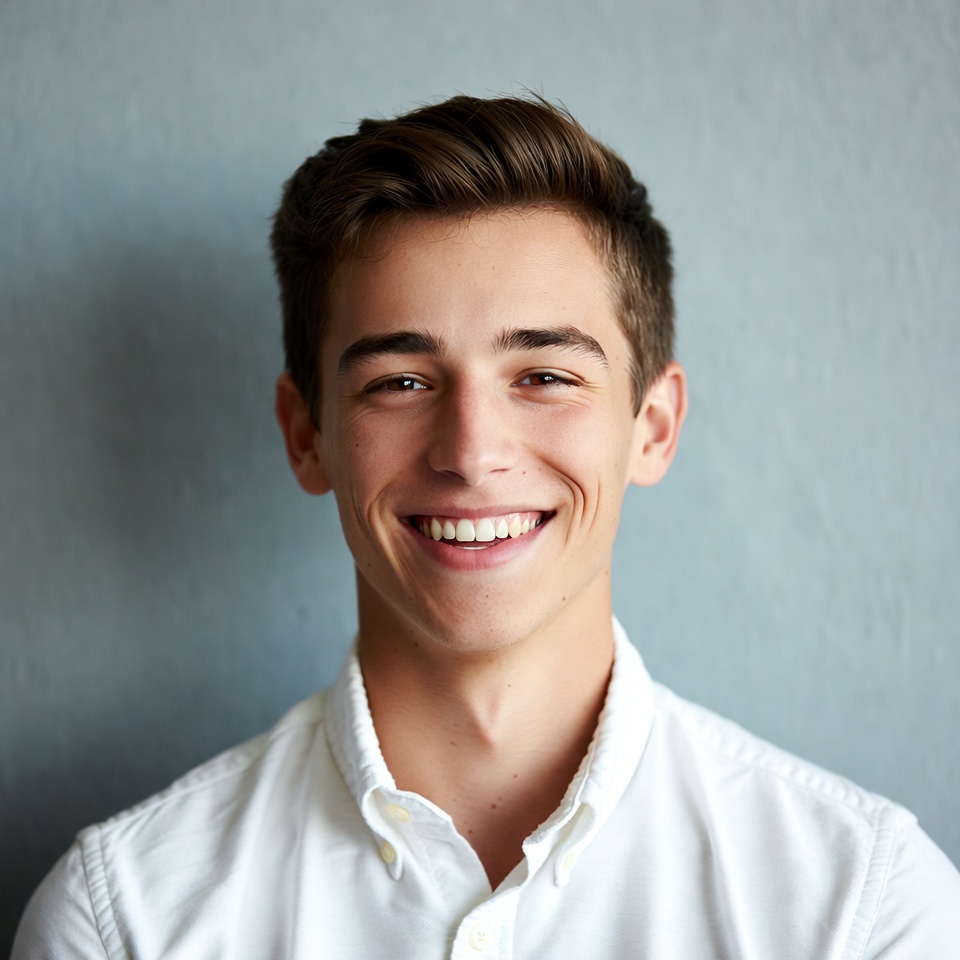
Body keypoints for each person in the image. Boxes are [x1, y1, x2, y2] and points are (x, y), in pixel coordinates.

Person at [13, 95, 960, 959]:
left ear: (653, 426)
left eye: (543, 376)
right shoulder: (120, 921)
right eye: (400, 383)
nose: (471, 452)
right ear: (308, 436)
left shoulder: (864, 908)